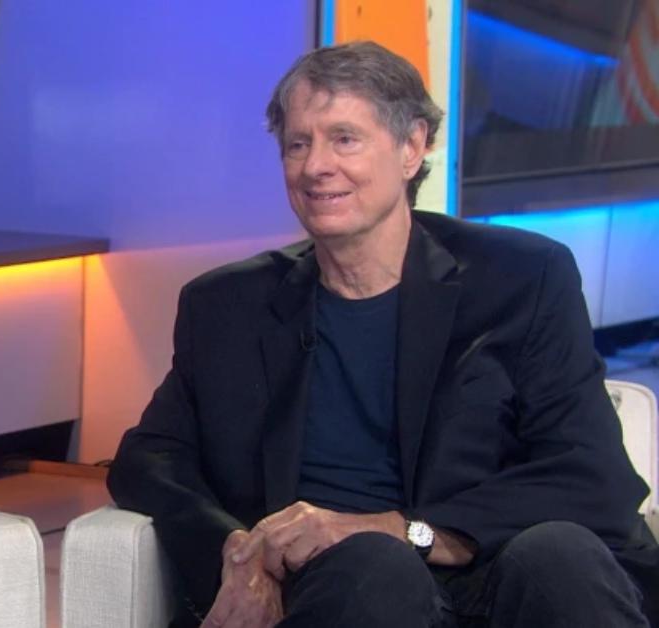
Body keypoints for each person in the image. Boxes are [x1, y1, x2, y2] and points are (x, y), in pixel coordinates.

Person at [108, 41, 658, 628]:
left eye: (344, 138)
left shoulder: (522, 279)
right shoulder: (226, 306)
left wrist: (408, 531)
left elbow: (593, 477)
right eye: (298, 144)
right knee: (374, 566)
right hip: (343, 591)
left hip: (500, 572)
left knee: (558, 554)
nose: (315, 165)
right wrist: (238, 552)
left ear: (412, 147)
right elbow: (149, 458)